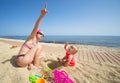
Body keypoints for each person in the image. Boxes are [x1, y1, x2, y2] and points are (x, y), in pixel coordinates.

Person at [16, 5, 47, 70]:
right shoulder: (31, 37)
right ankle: (36, 65)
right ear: (36, 33)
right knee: (39, 46)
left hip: (24, 60)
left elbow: (31, 53)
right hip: (22, 59)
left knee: (42, 54)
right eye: (40, 33)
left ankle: (31, 64)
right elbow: (36, 26)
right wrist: (41, 16)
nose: (42, 35)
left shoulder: (35, 43)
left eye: (43, 35)